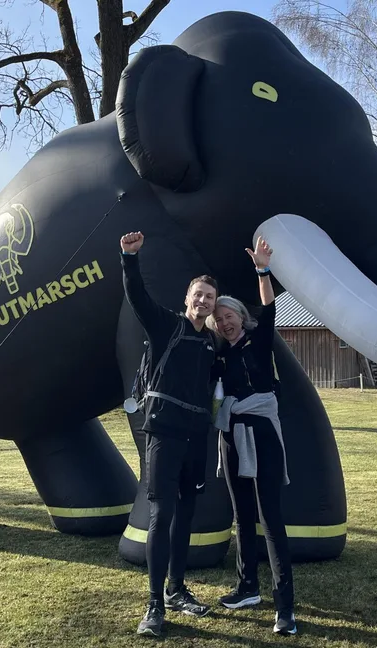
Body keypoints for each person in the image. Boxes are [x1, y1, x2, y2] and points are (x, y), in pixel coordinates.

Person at [120, 231, 218, 638]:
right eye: (198, 295)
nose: (203, 301)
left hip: (197, 438)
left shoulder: (212, 343)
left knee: (186, 513)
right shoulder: (168, 326)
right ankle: (154, 604)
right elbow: (138, 298)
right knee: (162, 515)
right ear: (187, 298)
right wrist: (129, 259)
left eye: (209, 297)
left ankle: (177, 589)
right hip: (163, 434)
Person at [208, 235, 297, 636]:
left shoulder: (259, 340)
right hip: (231, 435)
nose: (225, 322)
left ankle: (285, 607)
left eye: (229, 315)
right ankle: (247, 588)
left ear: (241, 317)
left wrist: (262, 270)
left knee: (270, 519)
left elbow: (269, 306)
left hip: (261, 433)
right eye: (219, 319)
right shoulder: (219, 355)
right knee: (241, 515)